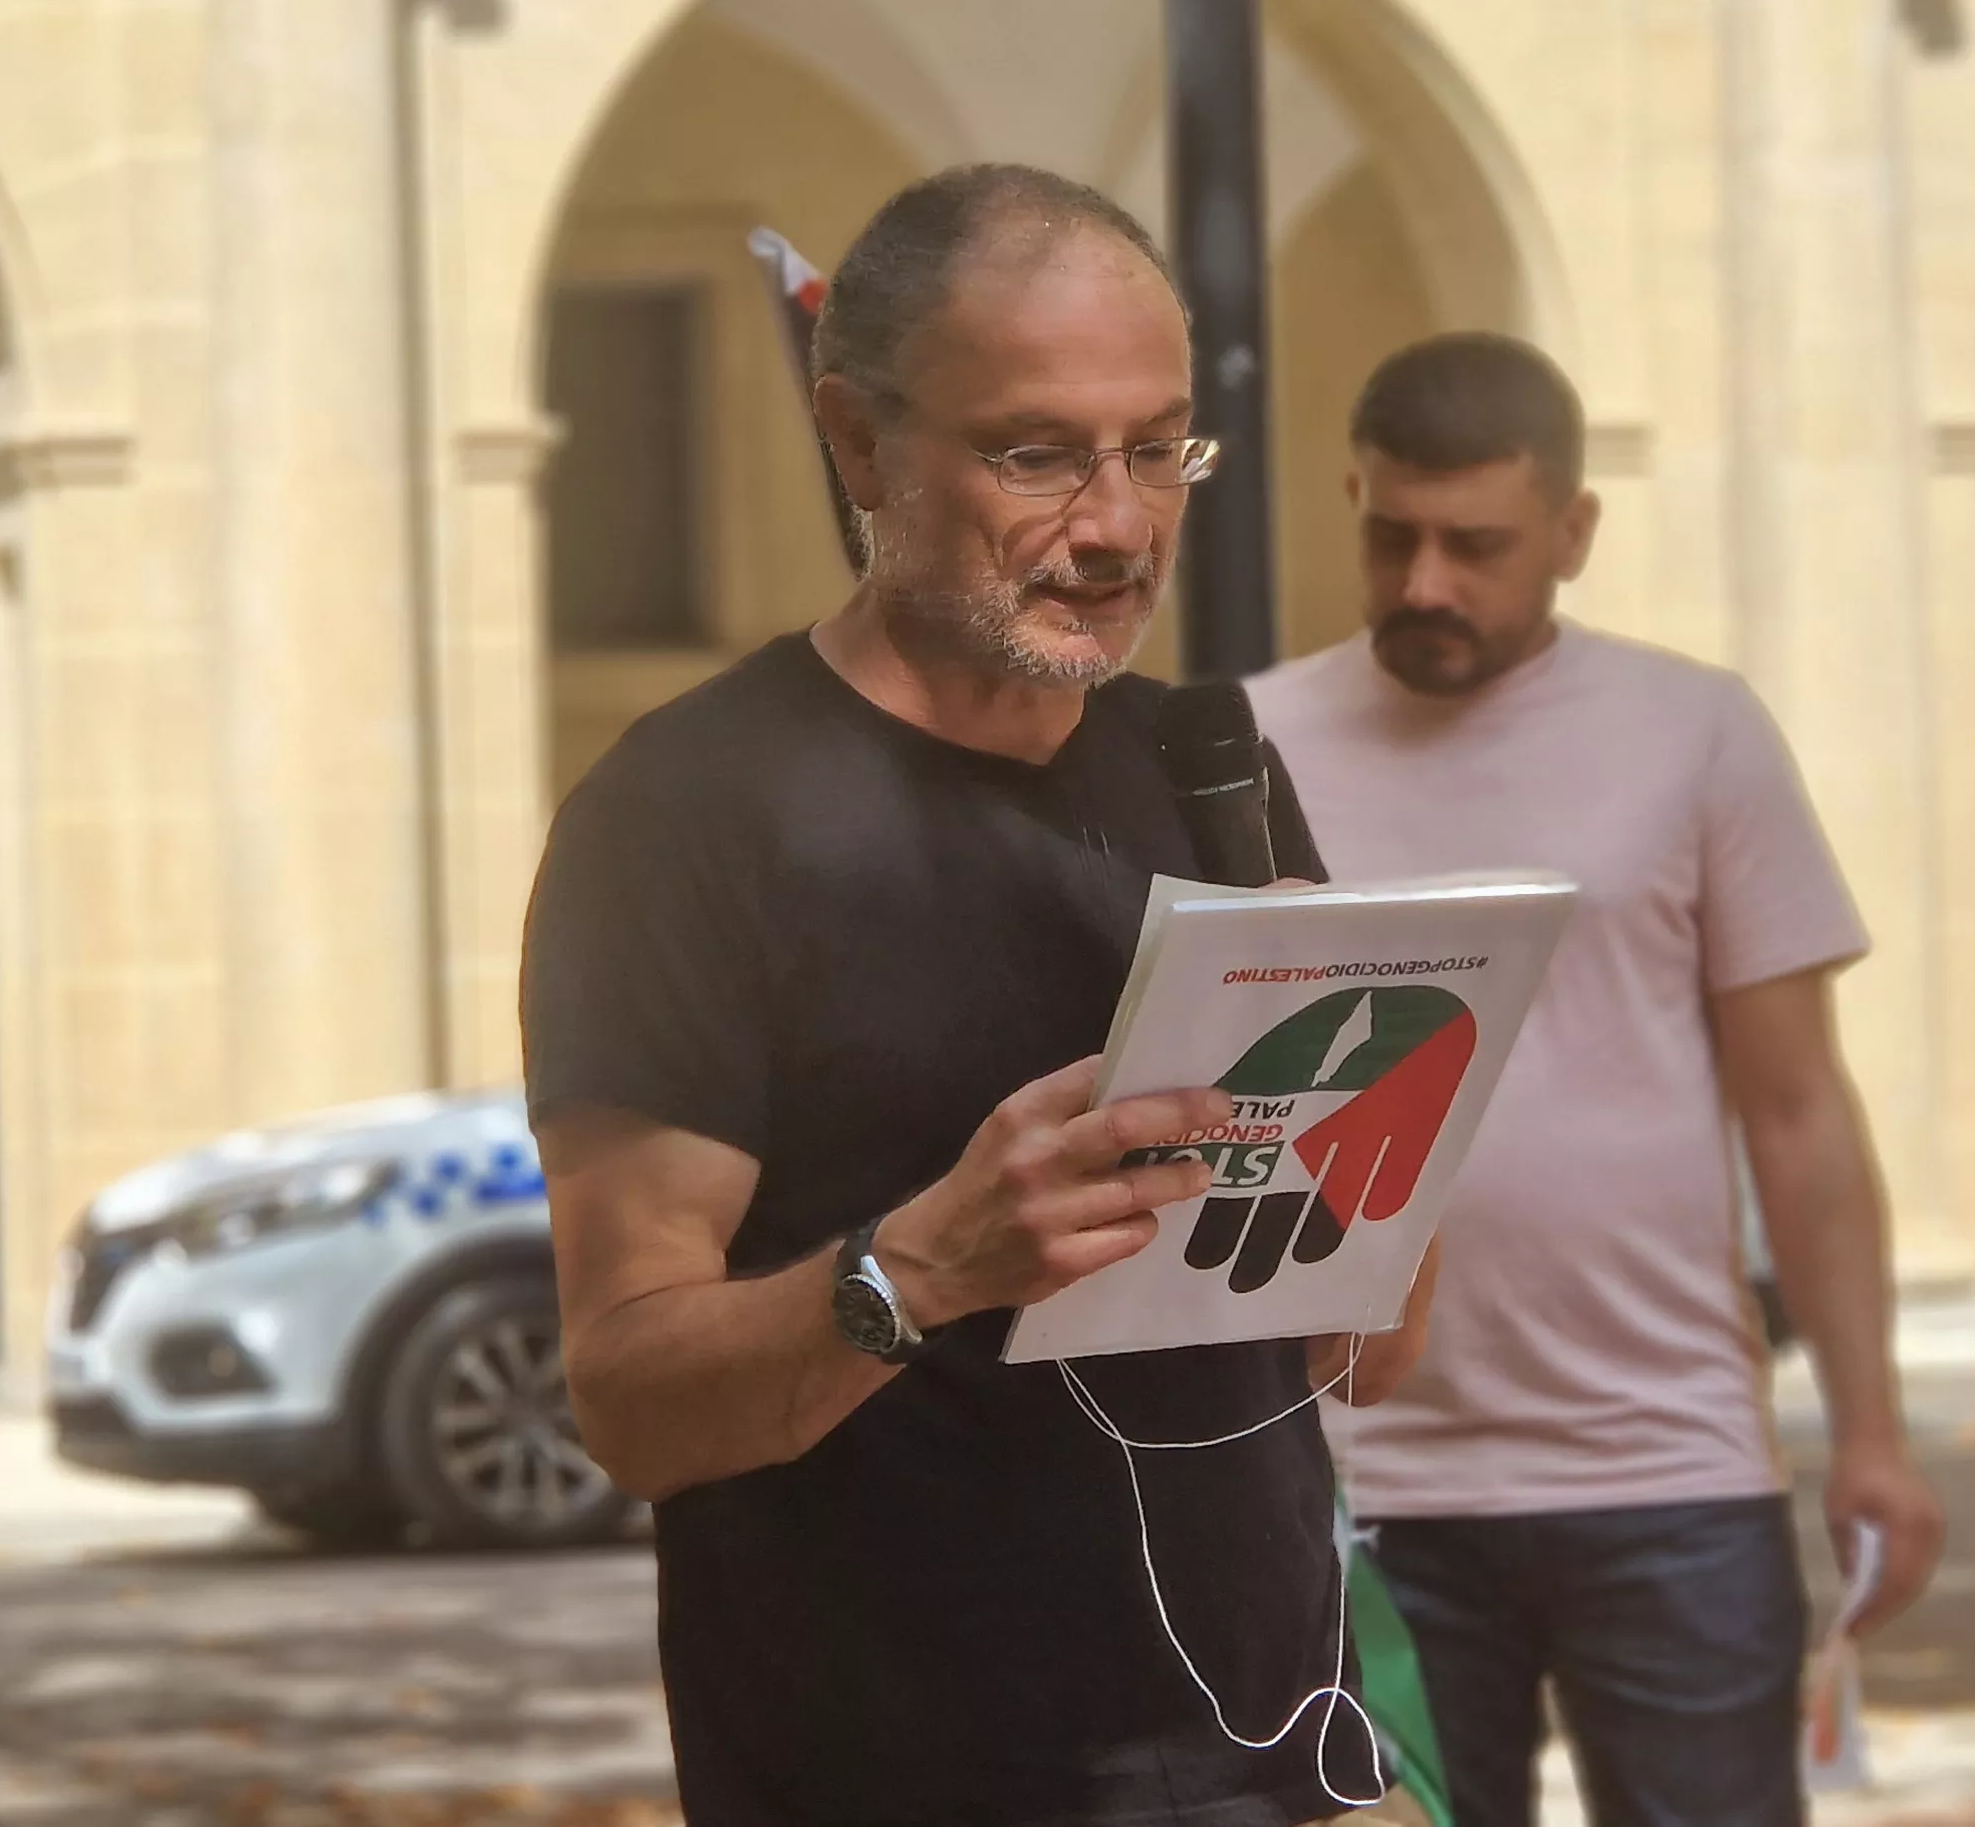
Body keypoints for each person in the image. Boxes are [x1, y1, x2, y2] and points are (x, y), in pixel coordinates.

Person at [520, 162, 1444, 1827]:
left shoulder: (1203, 766)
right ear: (860, 444)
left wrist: (1393, 1138)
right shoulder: (683, 819)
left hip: (1284, 1776)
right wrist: (921, 1269)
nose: (1117, 524)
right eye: (1037, 455)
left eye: (1160, 445)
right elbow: (631, 1403)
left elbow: (1361, 1359)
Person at [1247, 333, 1945, 1827]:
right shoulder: (1247, 751)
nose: (1426, 582)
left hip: (1667, 1472)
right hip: (1358, 1493)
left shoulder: (1693, 735)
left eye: (1477, 546)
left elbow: (1800, 1111)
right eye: (1392, 535)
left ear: (1573, 533)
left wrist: (1873, 1438)